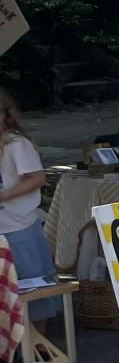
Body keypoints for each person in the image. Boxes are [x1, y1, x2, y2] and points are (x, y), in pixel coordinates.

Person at [0, 88, 60, 324]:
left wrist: (3, 196)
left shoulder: (16, 144)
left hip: (19, 228)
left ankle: (37, 348)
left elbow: (37, 177)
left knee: (31, 290)